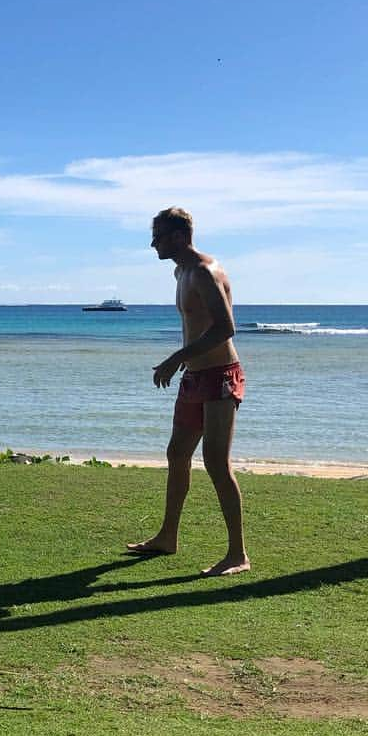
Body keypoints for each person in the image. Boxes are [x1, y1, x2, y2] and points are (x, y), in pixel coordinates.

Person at [127, 207, 250, 576]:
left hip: (220, 376)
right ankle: (167, 536)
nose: (153, 244)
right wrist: (184, 361)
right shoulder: (180, 271)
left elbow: (226, 328)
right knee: (177, 452)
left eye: (159, 236)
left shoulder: (202, 272)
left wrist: (176, 357)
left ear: (179, 237)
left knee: (216, 462)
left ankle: (237, 555)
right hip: (196, 376)